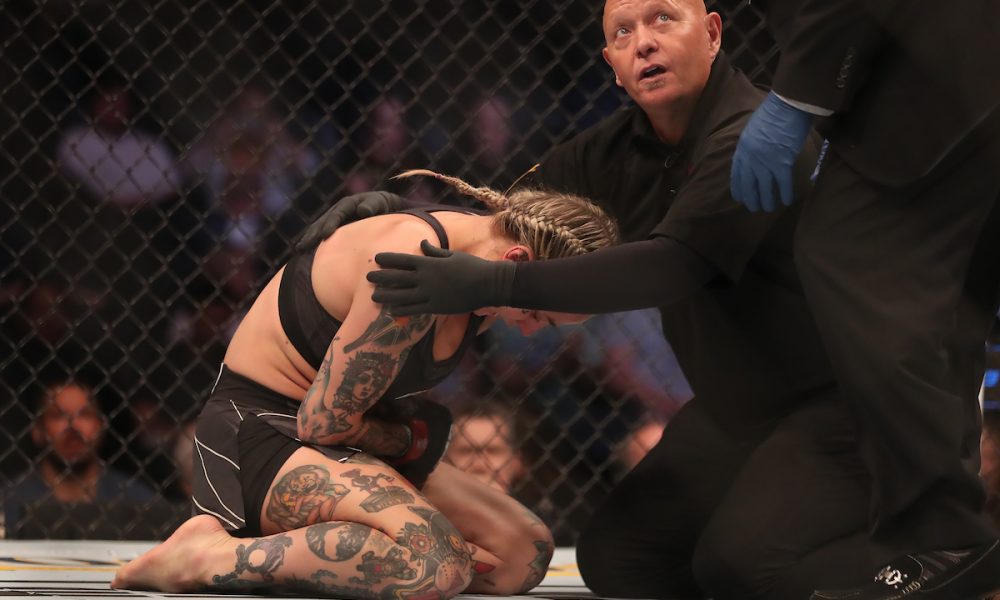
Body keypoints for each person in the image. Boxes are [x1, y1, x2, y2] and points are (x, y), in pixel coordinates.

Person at [324, 1, 877, 597]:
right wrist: (401, 218)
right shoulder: (614, 151)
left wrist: (495, 285)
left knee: (745, 565)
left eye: (663, 19)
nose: (644, 42)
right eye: (623, 32)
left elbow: (671, 266)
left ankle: (919, 566)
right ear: (612, 63)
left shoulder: (757, 136)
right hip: (737, 411)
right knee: (621, 559)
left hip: (840, 404)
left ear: (713, 33)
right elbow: (508, 218)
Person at [111, 168, 619, 599]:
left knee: (523, 555)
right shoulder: (413, 270)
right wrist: (410, 441)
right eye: (536, 314)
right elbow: (323, 423)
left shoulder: (482, 258)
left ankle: (363, 553)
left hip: (344, 441)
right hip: (264, 437)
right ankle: (204, 557)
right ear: (517, 261)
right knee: (434, 565)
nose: (528, 329)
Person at [728, 2, 1000, 598]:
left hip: (939, 67)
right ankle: (945, 547)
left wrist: (794, 98)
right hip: (963, 70)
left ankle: (941, 535)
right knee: (952, 306)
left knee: (852, 255)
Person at [3, 379, 155, 538]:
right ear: (38, 430)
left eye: (84, 414)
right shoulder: (9, 502)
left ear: (101, 426)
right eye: (59, 415)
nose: (73, 426)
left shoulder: (138, 500)